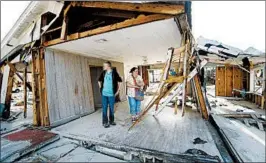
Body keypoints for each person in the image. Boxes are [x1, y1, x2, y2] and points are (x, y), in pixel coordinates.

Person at [98, 61, 122, 128]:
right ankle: (105, 122)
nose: (103, 67)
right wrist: (101, 88)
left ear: (108, 66)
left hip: (111, 94)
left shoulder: (114, 73)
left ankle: (111, 121)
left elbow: (120, 81)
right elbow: (99, 80)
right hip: (104, 94)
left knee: (111, 108)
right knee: (104, 108)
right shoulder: (103, 73)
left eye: (104, 66)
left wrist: (118, 90)